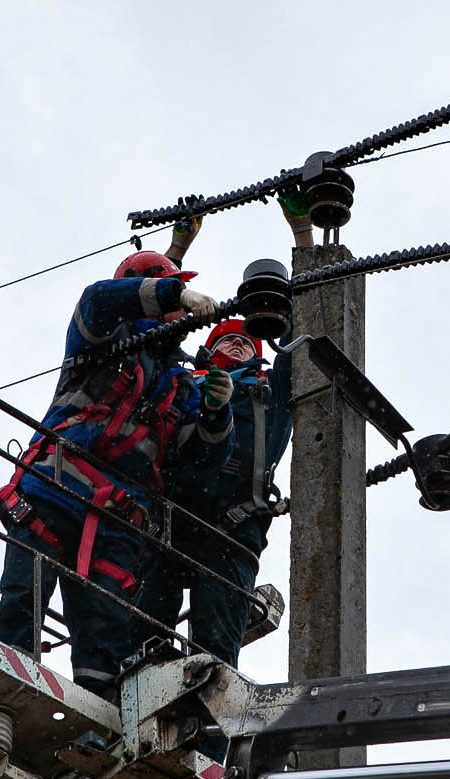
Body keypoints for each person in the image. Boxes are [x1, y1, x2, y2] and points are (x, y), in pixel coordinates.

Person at [0, 249, 235, 701]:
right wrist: (173, 291)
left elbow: (199, 461)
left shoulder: (178, 384)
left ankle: (96, 731)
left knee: (104, 641)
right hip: (53, 493)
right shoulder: (100, 336)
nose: (180, 309)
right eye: (171, 293)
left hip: (116, 524)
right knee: (22, 602)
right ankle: (6, 698)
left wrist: (217, 415)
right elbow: (99, 299)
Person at [129, 180, 316, 668]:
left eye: (247, 343)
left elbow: (307, 325)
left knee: (214, 663)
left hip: (234, 528)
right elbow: (147, 332)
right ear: (206, 352)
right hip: (169, 520)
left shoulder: (271, 394)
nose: (238, 346)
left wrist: (303, 237)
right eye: (226, 341)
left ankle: (206, 741)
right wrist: (176, 250)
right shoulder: (180, 384)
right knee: (143, 646)